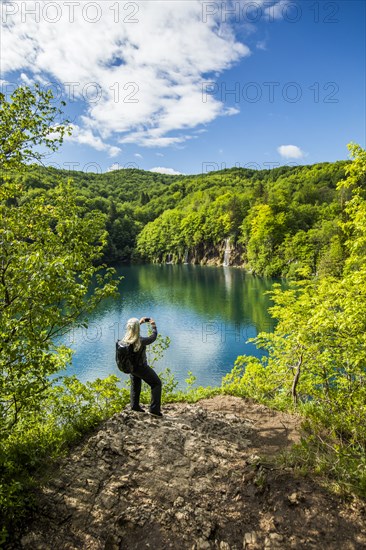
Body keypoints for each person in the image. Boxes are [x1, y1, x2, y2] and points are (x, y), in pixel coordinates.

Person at [121, 316, 162, 417]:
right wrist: (153, 326)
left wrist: (139, 323)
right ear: (137, 329)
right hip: (141, 367)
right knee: (156, 383)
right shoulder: (140, 341)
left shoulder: (125, 339)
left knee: (135, 386)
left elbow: (132, 328)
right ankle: (154, 410)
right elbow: (153, 337)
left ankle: (134, 406)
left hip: (131, 368)